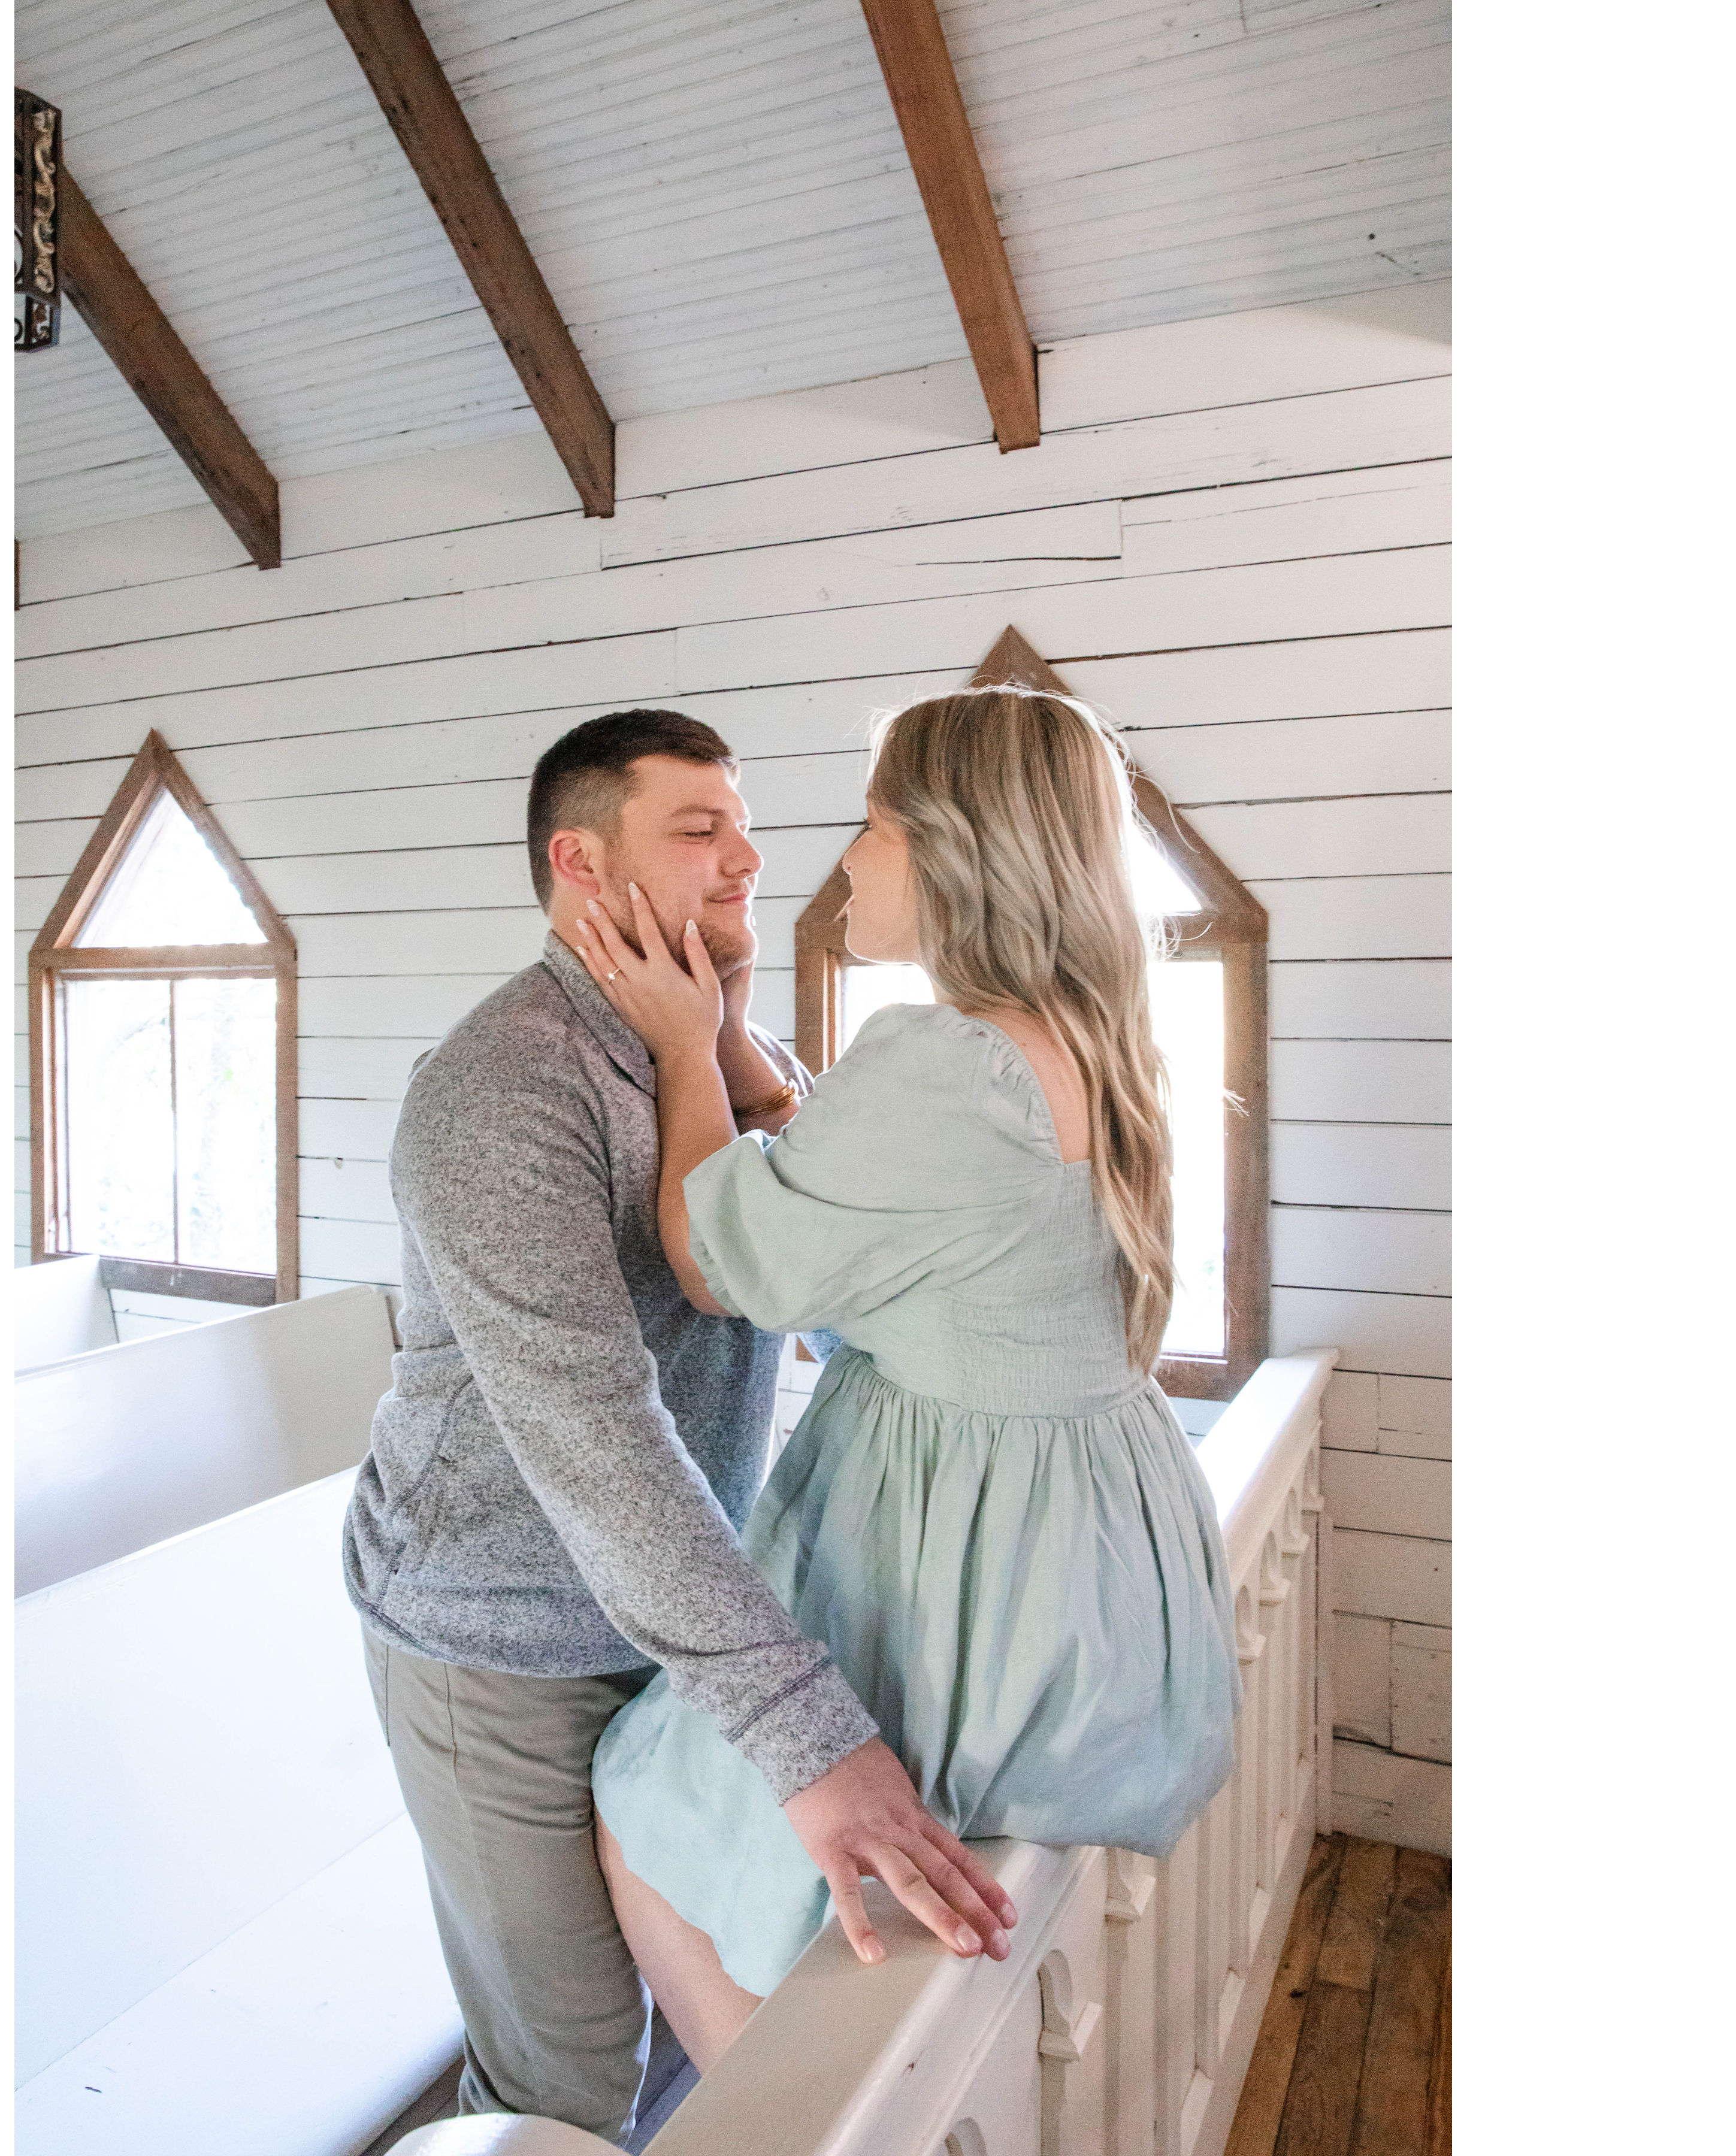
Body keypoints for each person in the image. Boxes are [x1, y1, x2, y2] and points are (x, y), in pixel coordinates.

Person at [342, 710, 1012, 2143]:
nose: (748, 859)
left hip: (673, 1620)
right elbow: (591, 1426)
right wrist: (806, 1733)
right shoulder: (502, 1085)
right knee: (566, 2077)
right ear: (580, 862)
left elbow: (822, 1289)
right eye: (699, 830)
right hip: (496, 1630)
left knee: (702, 2005)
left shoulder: (701, 1045)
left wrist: (729, 1034)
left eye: (743, 827)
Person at [573, 685, 1242, 2072]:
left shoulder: (948, 1063)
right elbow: (894, 1234)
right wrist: (740, 1049)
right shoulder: (1090, 1037)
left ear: (956, 846)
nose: (845, 861)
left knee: (653, 1805)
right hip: (1087, 1556)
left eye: (875, 825)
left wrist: (683, 1046)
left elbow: (722, 1261)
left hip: (959, 1567)